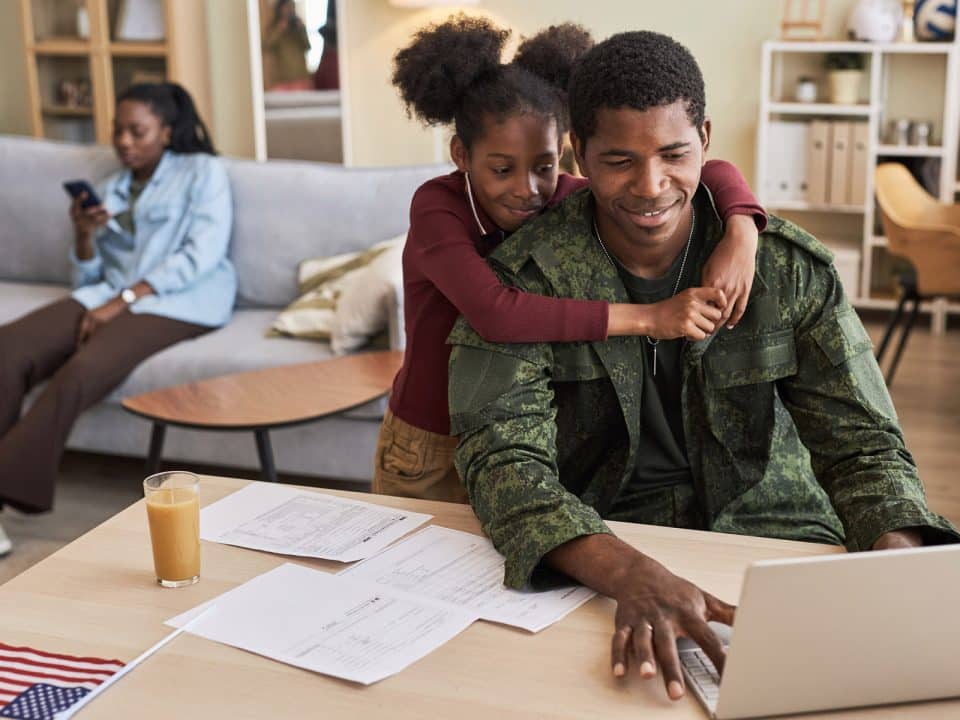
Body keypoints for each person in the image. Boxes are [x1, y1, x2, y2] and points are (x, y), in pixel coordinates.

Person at [447, 31, 959, 700]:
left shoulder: (782, 266)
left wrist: (894, 561)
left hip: (776, 538)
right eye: (619, 160)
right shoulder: (525, 280)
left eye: (674, 154)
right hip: (604, 547)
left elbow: (863, 446)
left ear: (707, 139)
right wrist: (629, 573)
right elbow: (504, 465)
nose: (650, 185)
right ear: (578, 152)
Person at [374, 16, 767, 503]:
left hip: (516, 437)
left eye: (544, 165)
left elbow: (712, 169)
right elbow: (495, 311)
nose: (528, 189)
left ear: (567, 154)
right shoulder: (437, 207)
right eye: (502, 169)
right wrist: (649, 318)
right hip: (431, 442)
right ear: (461, 154)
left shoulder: (565, 195)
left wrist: (742, 229)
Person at [0, 82, 236, 555]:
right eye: (118, 131)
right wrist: (84, 235)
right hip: (110, 292)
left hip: (181, 299)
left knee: (83, 369)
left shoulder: (203, 172)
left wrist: (125, 299)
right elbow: (91, 270)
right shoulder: (111, 186)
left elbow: (202, 254)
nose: (124, 141)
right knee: (8, 348)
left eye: (138, 131)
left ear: (166, 133)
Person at [264, 0, 311, 91]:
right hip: (282, 79)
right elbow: (266, 46)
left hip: (301, 77)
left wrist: (301, 30)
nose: (290, 10)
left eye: (292, 7)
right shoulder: (274, 27)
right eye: (287, 7)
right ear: (280, 9)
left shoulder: (299, 26)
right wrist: (279, 29)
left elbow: (308, 47)